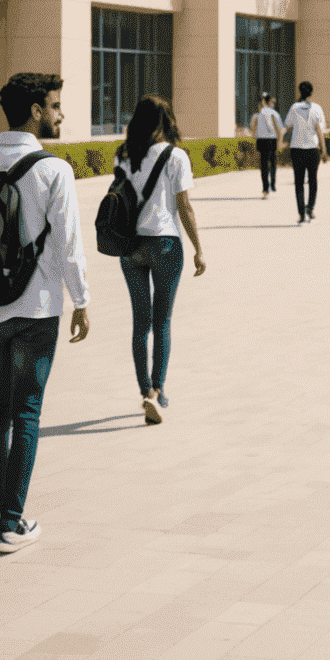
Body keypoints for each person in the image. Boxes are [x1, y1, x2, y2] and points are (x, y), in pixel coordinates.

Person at [0, 72, 91, 555]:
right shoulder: (53, 170)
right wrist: (82, 300)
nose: (60, 115)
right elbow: (70, 244)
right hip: (36, 309)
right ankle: (11, 522)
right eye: (55, 106)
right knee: (27, 410)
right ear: (34, 110)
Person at [114, 95, 207, 425]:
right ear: (166, 119)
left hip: (130, 247)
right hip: (165, 243)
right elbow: (185, 208)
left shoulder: (123, 154)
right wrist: (198, 249)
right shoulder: (175, 156)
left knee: (140, 322)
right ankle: (158, 392)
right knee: (162, 322)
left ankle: (144, 391)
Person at [282, 80, 329, 223]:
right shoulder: (317, 108)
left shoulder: (294, 108)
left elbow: (287, 126)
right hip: (313, 150)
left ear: (300, 92)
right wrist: (324, 149)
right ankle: (310, 208)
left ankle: (301, 213)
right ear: (311, 92)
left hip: (297, 149)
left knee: (299, 182)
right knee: (313, 181)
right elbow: (319, 130)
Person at [250, 92, 283, 198]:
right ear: (269, 102)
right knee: (273, 162)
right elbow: (280, 129)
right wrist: (280, 142)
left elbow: (252, 127)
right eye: (272, 102)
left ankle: (265, 189)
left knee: (264, 165)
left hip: (261, 140)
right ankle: (272, 183)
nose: (273, 104)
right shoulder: (274, 113)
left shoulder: (258, 114)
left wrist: (254, 136)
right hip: (272, 140)